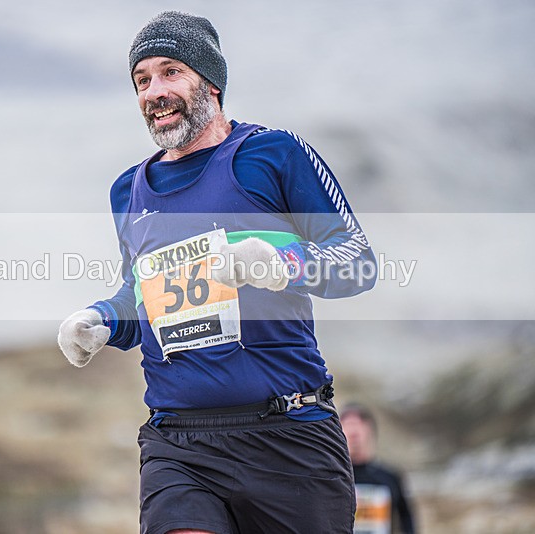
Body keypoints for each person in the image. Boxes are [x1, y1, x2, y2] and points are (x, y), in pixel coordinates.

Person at [58, 11, 376, 534]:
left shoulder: (273, 155)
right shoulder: (127, 191)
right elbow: (141, 298)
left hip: (288, 436)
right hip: (179, 444)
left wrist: (281, 263)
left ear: (210, 82)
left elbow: (356, 260)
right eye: (141, 80)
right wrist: (101, 321)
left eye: (170, 72)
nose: (153, 91)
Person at [341, 403, 416, 534]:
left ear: (369, 430)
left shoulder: (390, 477)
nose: (353, 432)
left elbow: (407, 519)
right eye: (347, 425)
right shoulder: (332, 479)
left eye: (358, 425)